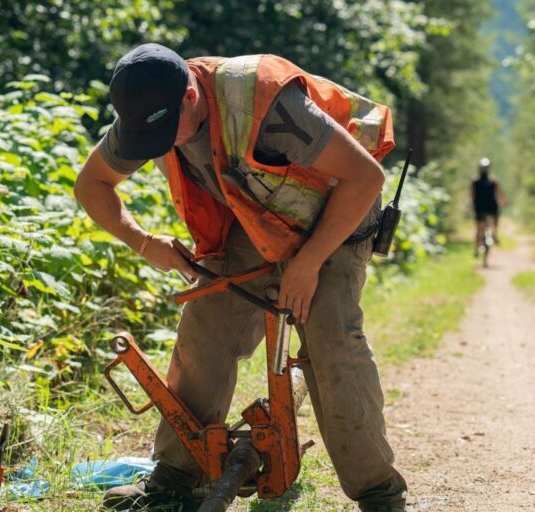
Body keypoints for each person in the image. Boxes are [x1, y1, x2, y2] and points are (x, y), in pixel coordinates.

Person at [73, 44, 407, 511]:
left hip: (336, 210)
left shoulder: (263, 102)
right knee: (205, 325)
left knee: (331, 339)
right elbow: (91, 184)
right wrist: (145, 242)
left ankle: (379, 494)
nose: (164, 146)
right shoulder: (145, 113)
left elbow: (363, 177)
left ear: (190, 94)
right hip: (256, 219)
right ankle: (174, 480)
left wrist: (307, 263)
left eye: (169, 133)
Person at [471, 157, 506, 256]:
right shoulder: (493, 180)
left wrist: (471, 203)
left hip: (480, 207)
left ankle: (476, 249)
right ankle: (495, 234)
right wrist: (502, 201)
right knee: (494, 218)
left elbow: (472, 195)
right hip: (491, 207)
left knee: (479, 229)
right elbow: (499, 193)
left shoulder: (475, 181)